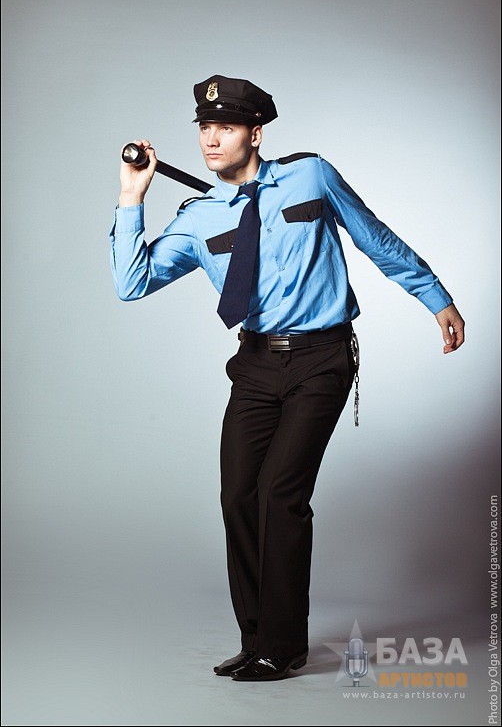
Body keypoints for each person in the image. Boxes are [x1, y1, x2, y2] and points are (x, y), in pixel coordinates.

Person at [109, 74, 465, 682]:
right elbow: (131, 282)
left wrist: (435, 298)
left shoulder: (311, 177)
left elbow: (374, 237)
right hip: (254, 364)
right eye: (204, 128)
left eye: (225, 127)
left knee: (280, 492)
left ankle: (282, 645)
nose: (211, 140)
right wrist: (130, 197)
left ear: (255, 133)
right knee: (238, 496)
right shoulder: (198, 216)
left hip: (321, 359)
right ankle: (256, 640)